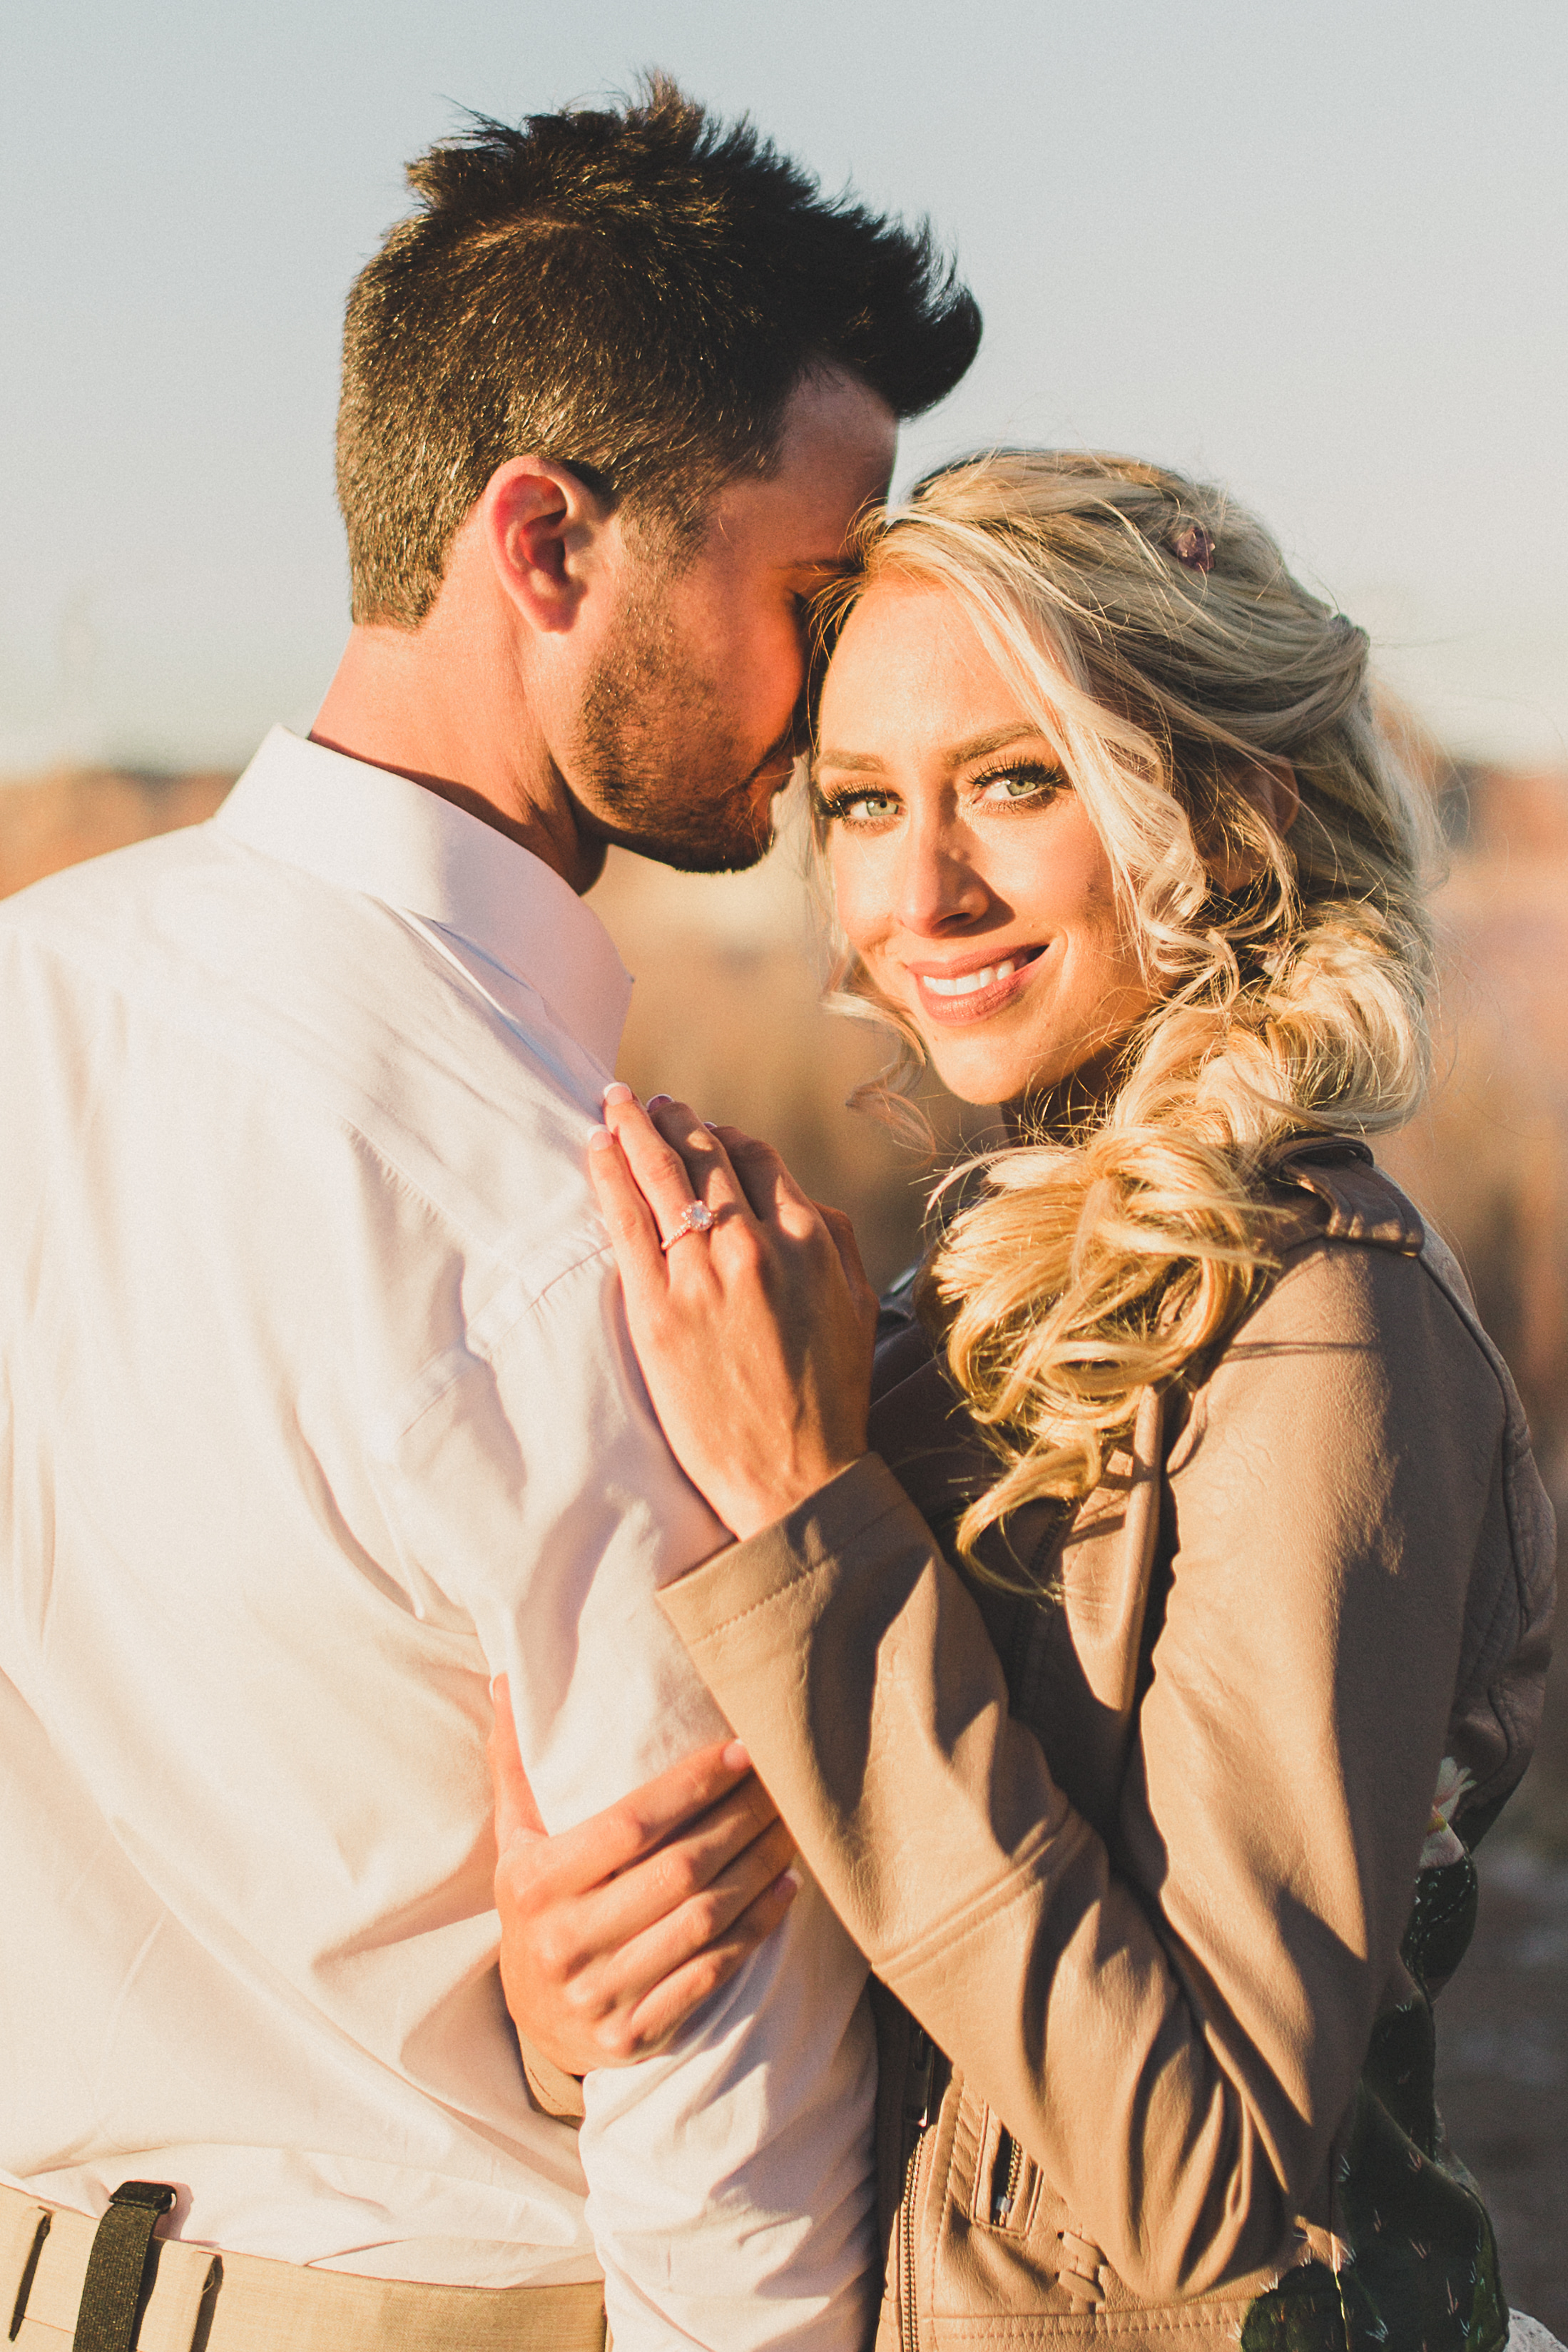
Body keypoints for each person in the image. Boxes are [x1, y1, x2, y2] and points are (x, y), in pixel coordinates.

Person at [0, 83, 980, 2352]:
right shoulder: (606, 1251)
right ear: (546, 544)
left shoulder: (29, 998)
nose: (838, 691)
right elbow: (730, 2180)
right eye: (808, 593)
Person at [490, 450, 1556, 2351]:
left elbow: (1204, 2182)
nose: (923, 888)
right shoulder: (972, 1300)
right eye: (866, 802)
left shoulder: (1323, 1329)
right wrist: (582, 2008)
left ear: (1228, 808)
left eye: (1016, 780)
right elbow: (913, 1982)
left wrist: (815, 1520)